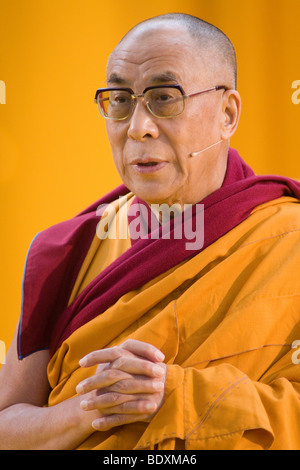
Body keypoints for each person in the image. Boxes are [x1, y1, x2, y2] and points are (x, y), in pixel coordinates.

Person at [1, 12, 300, 451]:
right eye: (120, 100)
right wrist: (95, 404)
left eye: (164, 97)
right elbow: (7, 427)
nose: (138, 127)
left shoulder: (288, 241)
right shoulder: (71, 250)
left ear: (228, 114)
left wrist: (178, 398)